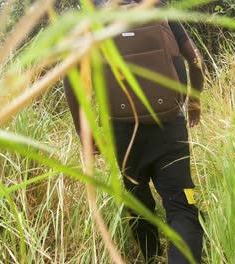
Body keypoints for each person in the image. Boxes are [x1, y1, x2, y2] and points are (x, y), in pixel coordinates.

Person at [63, 1, 205, 263]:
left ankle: (151, 257)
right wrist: (194, 100)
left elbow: (70, 77)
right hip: (169, 123)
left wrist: (85, 132)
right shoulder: (157, 7)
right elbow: (195, 58)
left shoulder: (95, 16)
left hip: (122, 130)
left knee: (137, 200)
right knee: (181, 205)